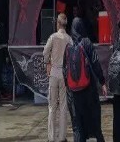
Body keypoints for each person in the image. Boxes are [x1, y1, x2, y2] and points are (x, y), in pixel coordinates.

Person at [64, 17, 107, 142]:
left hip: (74, 93)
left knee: (78, 125)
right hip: (89, 89)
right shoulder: (87, 42)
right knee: (95, 120)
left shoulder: (68, 46)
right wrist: (102, 82)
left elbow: (64, 69)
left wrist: (68, 86)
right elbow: (95, 63)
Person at [43, 13, 72, 142]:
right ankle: (62, 137)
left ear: (58, 24)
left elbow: (45, 52)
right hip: (64, 74)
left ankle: (51, 138)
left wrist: (47, 62)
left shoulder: (53, 37)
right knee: (63, 107)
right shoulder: (69, 39)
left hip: (54, 73)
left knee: (52, 106)